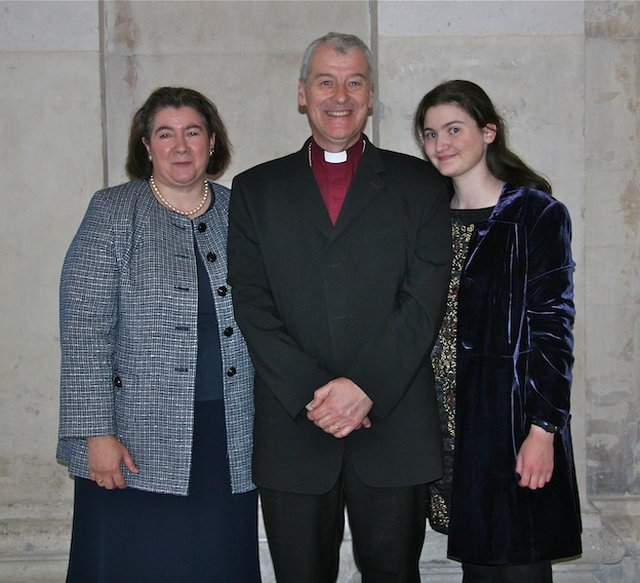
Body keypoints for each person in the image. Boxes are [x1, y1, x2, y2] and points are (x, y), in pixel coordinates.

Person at [227, 32, 451, 582]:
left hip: (393, 425)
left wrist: (365, 386)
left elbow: (424, 300)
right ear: (303, 93)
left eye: (354, 82)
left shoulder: (420, 184)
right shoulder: (255, 190)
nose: (340, 95)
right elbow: (252, 306)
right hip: (295, 429)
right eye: (326, 81)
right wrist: (317, 396)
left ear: (371, 96)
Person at [57, 86, 261, 583]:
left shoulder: (245, 213)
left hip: (228, 431)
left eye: (193, 132)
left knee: (216, 560)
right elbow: (84, 328)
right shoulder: (112, 211)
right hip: (133, 436)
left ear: (212, 142)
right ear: (146, 146)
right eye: (165, 134)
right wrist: (96, 434)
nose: (180, 146)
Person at [413, 80, 582, 582]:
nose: (440, 143)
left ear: (488, 132)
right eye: (428, 133)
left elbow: (553, 329)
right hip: (443, 425)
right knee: (480, 567)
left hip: (510, 424)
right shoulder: (424, 218)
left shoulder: (535, 214)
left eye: (453, 129)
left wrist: (542, 430)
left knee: (519, 563)